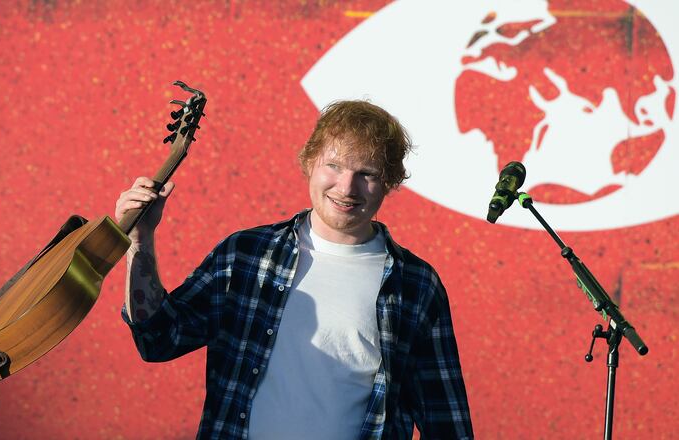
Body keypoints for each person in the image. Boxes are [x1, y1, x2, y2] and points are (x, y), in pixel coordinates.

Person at [115, 100, 473, 439]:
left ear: (390, 183)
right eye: (334, 166)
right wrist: (140, 241)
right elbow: (158, 339)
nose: (347, 187)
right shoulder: (246, 256)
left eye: (367, 174)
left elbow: (446, 422)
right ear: (310, 162)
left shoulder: (415, 284)